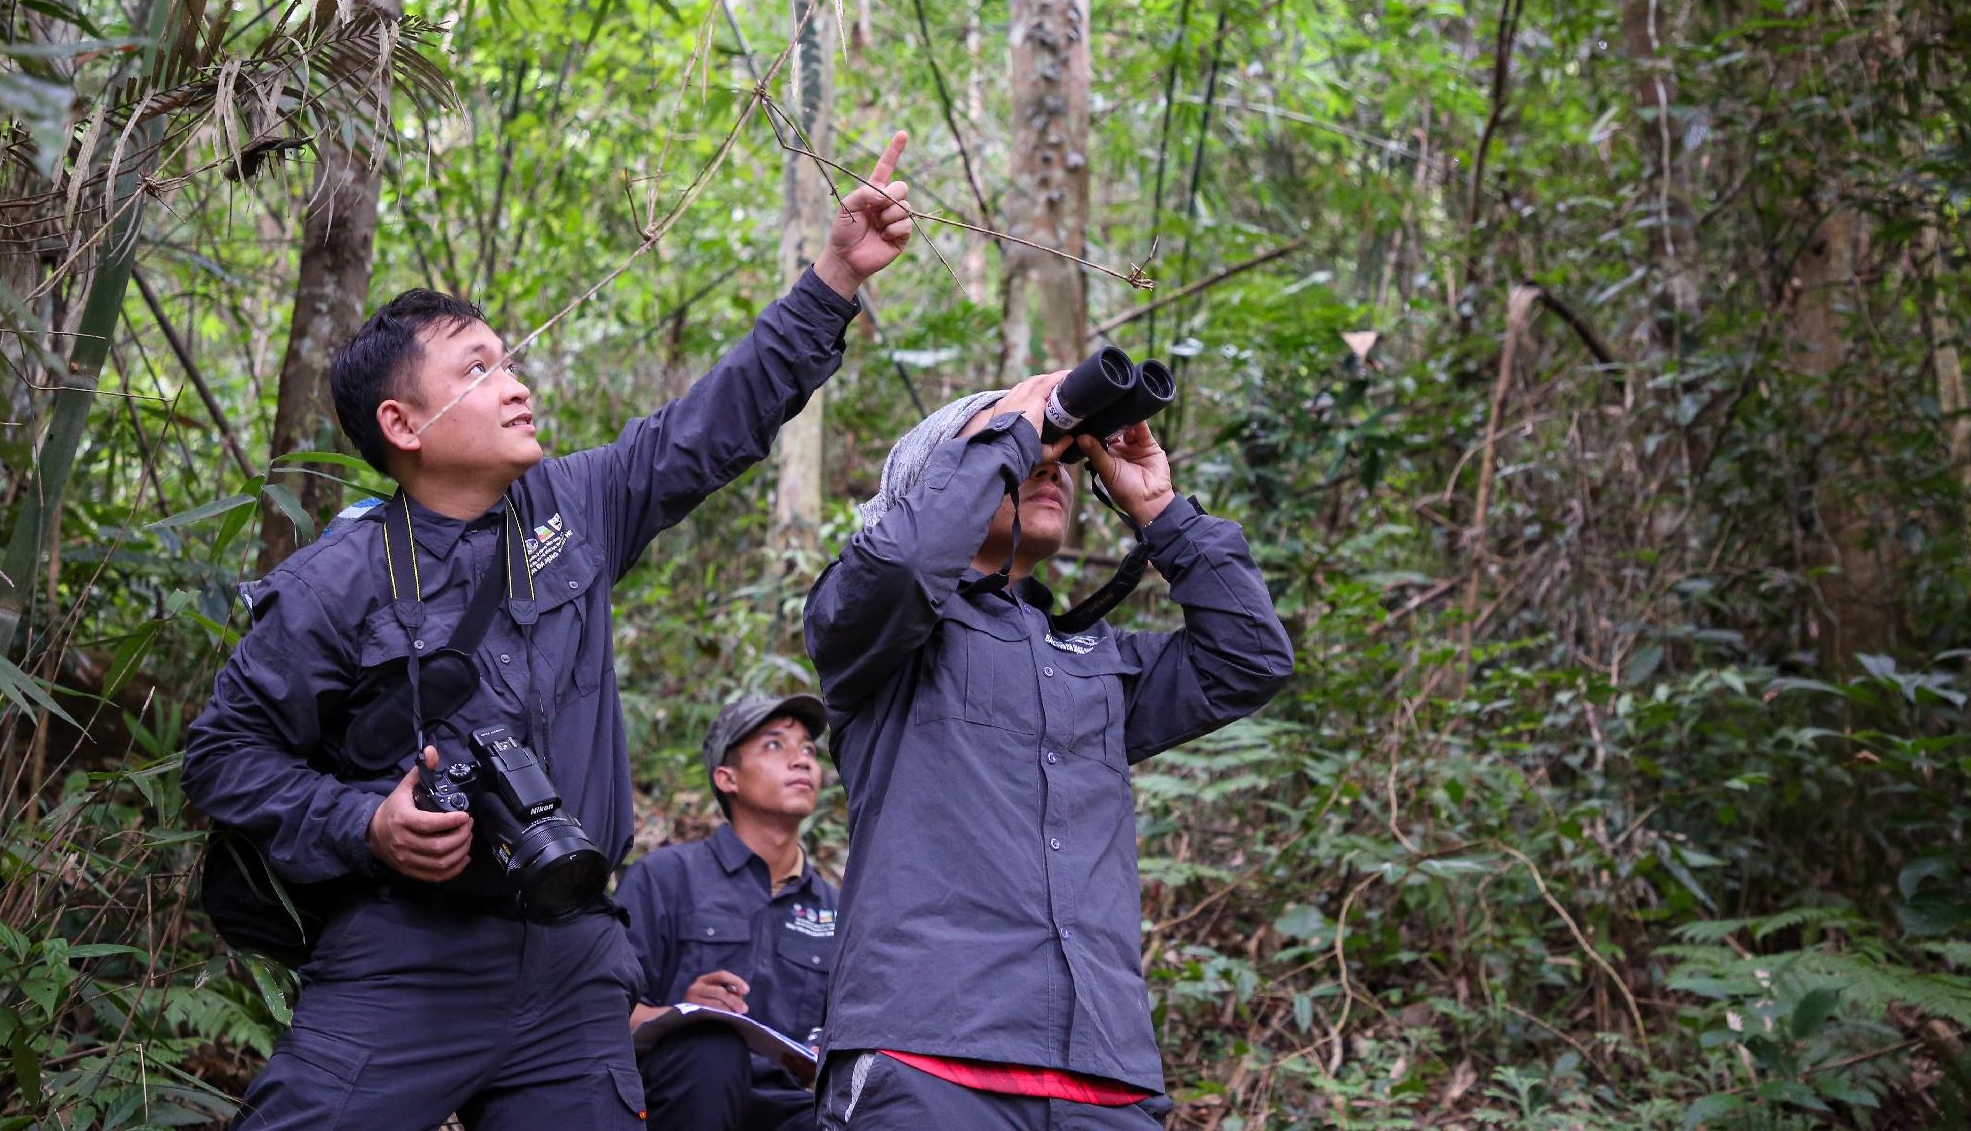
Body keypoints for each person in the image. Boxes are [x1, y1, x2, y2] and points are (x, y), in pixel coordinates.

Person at [178, 134, 915, 1130]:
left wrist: (831, 278)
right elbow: (223, 756)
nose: (514, 380)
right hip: (404, 954)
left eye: (507, 358)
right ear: (404, 425)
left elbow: (714, 423)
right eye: (477, 368)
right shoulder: (334, 580)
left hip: (572, 956)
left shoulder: (573, 505)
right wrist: (370, 823)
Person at [803, 373, 1294, 1128]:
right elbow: (903, 568)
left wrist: (1160, 510)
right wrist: (1011, 428)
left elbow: (1250, 659)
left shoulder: (1095, 656)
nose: (1048, 466)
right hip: (928, 1056)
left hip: (1103, 1072)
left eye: (1060, 457)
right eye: (1026, 452)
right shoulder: (877, 631)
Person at [617, 694, 838, 1131]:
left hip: (791, 1108)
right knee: (713, 1052)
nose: (802, 761)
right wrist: (681, 1015)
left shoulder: (836, 909)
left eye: (809, 750)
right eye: (775, 745)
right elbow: (600, 1016)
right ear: (727, 777)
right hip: (679, 1097)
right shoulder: (665, 878)